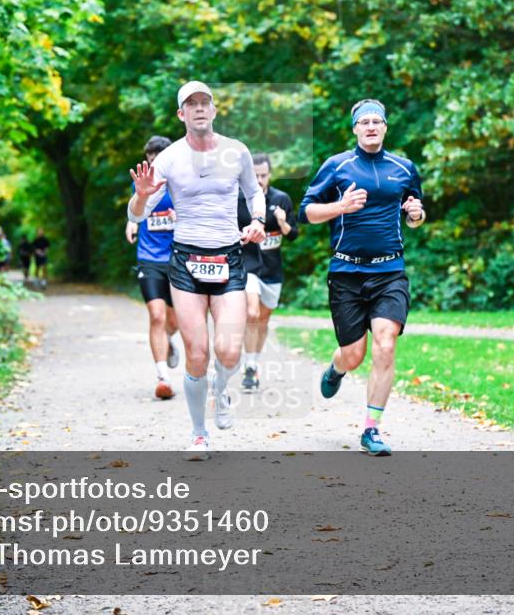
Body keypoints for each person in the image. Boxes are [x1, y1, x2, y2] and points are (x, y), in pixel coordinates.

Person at [128, 80, 266, 458]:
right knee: (198, 352)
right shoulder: (168, 159)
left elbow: (254, 192)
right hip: (186, 260)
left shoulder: (236, 152)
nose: (200, 108)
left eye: (205, 101)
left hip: (229, 256)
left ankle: (221, 392)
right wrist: (140, 197)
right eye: (192, 104)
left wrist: (257, 219)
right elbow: (134, 214)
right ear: (181, 114)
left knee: (230, 351)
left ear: (214, 110)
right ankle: (199, 433)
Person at [298, 99, 426, 456]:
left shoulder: (404, 168)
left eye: (377, 121)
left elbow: (414, 215)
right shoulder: (337, 166)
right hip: (347, 272)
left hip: (389, 271)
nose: (371, 127)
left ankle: (371, 429)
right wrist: (340, 207)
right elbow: (304, 213)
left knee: (386, 343)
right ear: (355, 129)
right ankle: (337, 368)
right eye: (364, 122)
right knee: (354, 354)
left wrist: (417, 214)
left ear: (385, 127)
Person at [125, 135, 182, 400]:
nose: (154, 164)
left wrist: (178, 217)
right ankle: (163, 377)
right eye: (150, 160)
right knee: (157, 316)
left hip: (179, 258)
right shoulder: (144, 183)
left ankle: (168, 340)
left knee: (175, 321)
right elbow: (135, 208)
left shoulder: (180, 184)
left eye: (159, 159)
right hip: (149, 258)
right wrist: (132, 222)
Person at [236, 153, 298, 390]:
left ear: (270, 175)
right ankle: (249, 368)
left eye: (263, 175)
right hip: (248, 266)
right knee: (251, 313)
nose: (259, 180)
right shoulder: (240, 199)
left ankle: (253, 362)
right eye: (255, 175)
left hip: (273, 270)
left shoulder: (281, 199)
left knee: (263, 319)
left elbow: (293, 235)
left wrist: (282, 223)